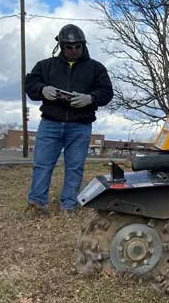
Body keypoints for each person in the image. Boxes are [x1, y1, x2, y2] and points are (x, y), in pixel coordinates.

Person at [24, 24, 113, 216]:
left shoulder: (96, 68)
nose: (73, 50)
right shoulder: (45, 66)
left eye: (77, 47)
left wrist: (91, 98)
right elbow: (30, 84)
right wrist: (42, 89)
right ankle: (37, 203)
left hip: (80, 125)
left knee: (74, 167)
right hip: (50, 123)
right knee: (42, 164)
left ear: (83, 46)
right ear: (61, 46)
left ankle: (69, 205)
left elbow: (107, 92)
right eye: (69, 47)